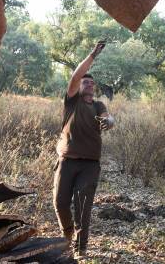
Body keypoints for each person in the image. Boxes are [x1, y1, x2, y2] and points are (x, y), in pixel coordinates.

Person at [53, 40, 114, 258]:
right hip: (66, 161)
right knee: (60, 203)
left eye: (91, 83)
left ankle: (80, 250)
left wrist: (110, 121)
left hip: (89, 164)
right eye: (84, 82)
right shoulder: (72, 102)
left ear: (94, 88)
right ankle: (67, 234)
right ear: (78, 86)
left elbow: (108, 118)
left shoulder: (98, 105)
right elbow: (75, 76)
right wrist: (92, 55)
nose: (88, 84)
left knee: (82, 207)